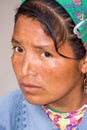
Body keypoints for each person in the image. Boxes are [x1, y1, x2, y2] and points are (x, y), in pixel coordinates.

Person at [0, 0, 87, 129]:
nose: (25, 70)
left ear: (84, 61)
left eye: (46, 54)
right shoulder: (6, 119)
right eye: (19, 49)